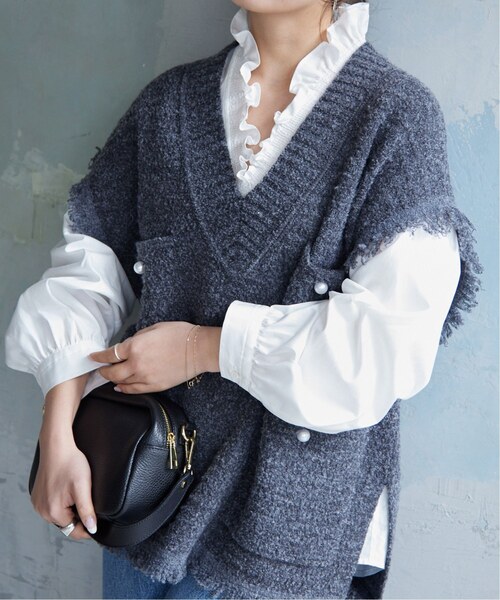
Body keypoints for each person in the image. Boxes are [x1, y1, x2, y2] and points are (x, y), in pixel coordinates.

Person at [4, 0, 482, 598]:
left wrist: (203, 348)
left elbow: (385, 346)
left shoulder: (394, 117)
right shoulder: (170, 106)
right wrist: (58, 428)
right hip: (141, 503)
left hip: (284, 538)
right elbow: (89, 268)